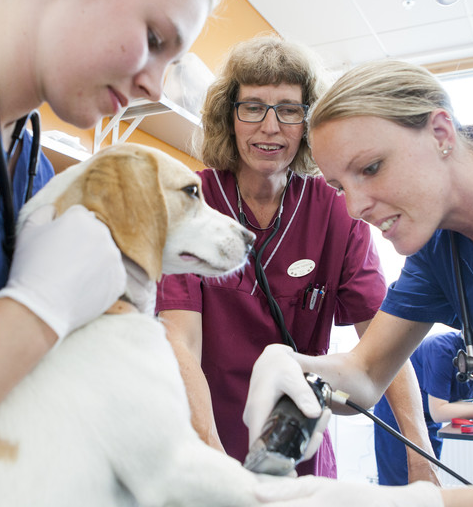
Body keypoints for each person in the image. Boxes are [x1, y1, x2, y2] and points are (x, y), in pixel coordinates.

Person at [0, 0, 219, 487]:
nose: (154, 87)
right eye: (154, 39)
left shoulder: (31, 174)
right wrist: (36, 310)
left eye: (172, 62)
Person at [242, 59, 473, 506]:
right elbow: (367, 373)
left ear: (440, 133)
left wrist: (412, 502)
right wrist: (292, 364)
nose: (354, 207)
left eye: (371, 168)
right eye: (338, 186)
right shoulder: (438, 250)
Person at [156, 37, 439, 481]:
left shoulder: (337, 209)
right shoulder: (193, 201)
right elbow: (180, 342)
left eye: (288, 109)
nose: (270, 127)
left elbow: (385, 343)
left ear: (308, 123)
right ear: (229, 117)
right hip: (205, 437)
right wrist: (211, 459)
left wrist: (421, 459)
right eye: (252, 107)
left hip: (299, 442)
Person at [374, 330, 473, 486]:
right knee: (400, 483)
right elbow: (439, 411)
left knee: (428, 479)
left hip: (429, 417)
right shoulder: (441, 349)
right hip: (398, 413)